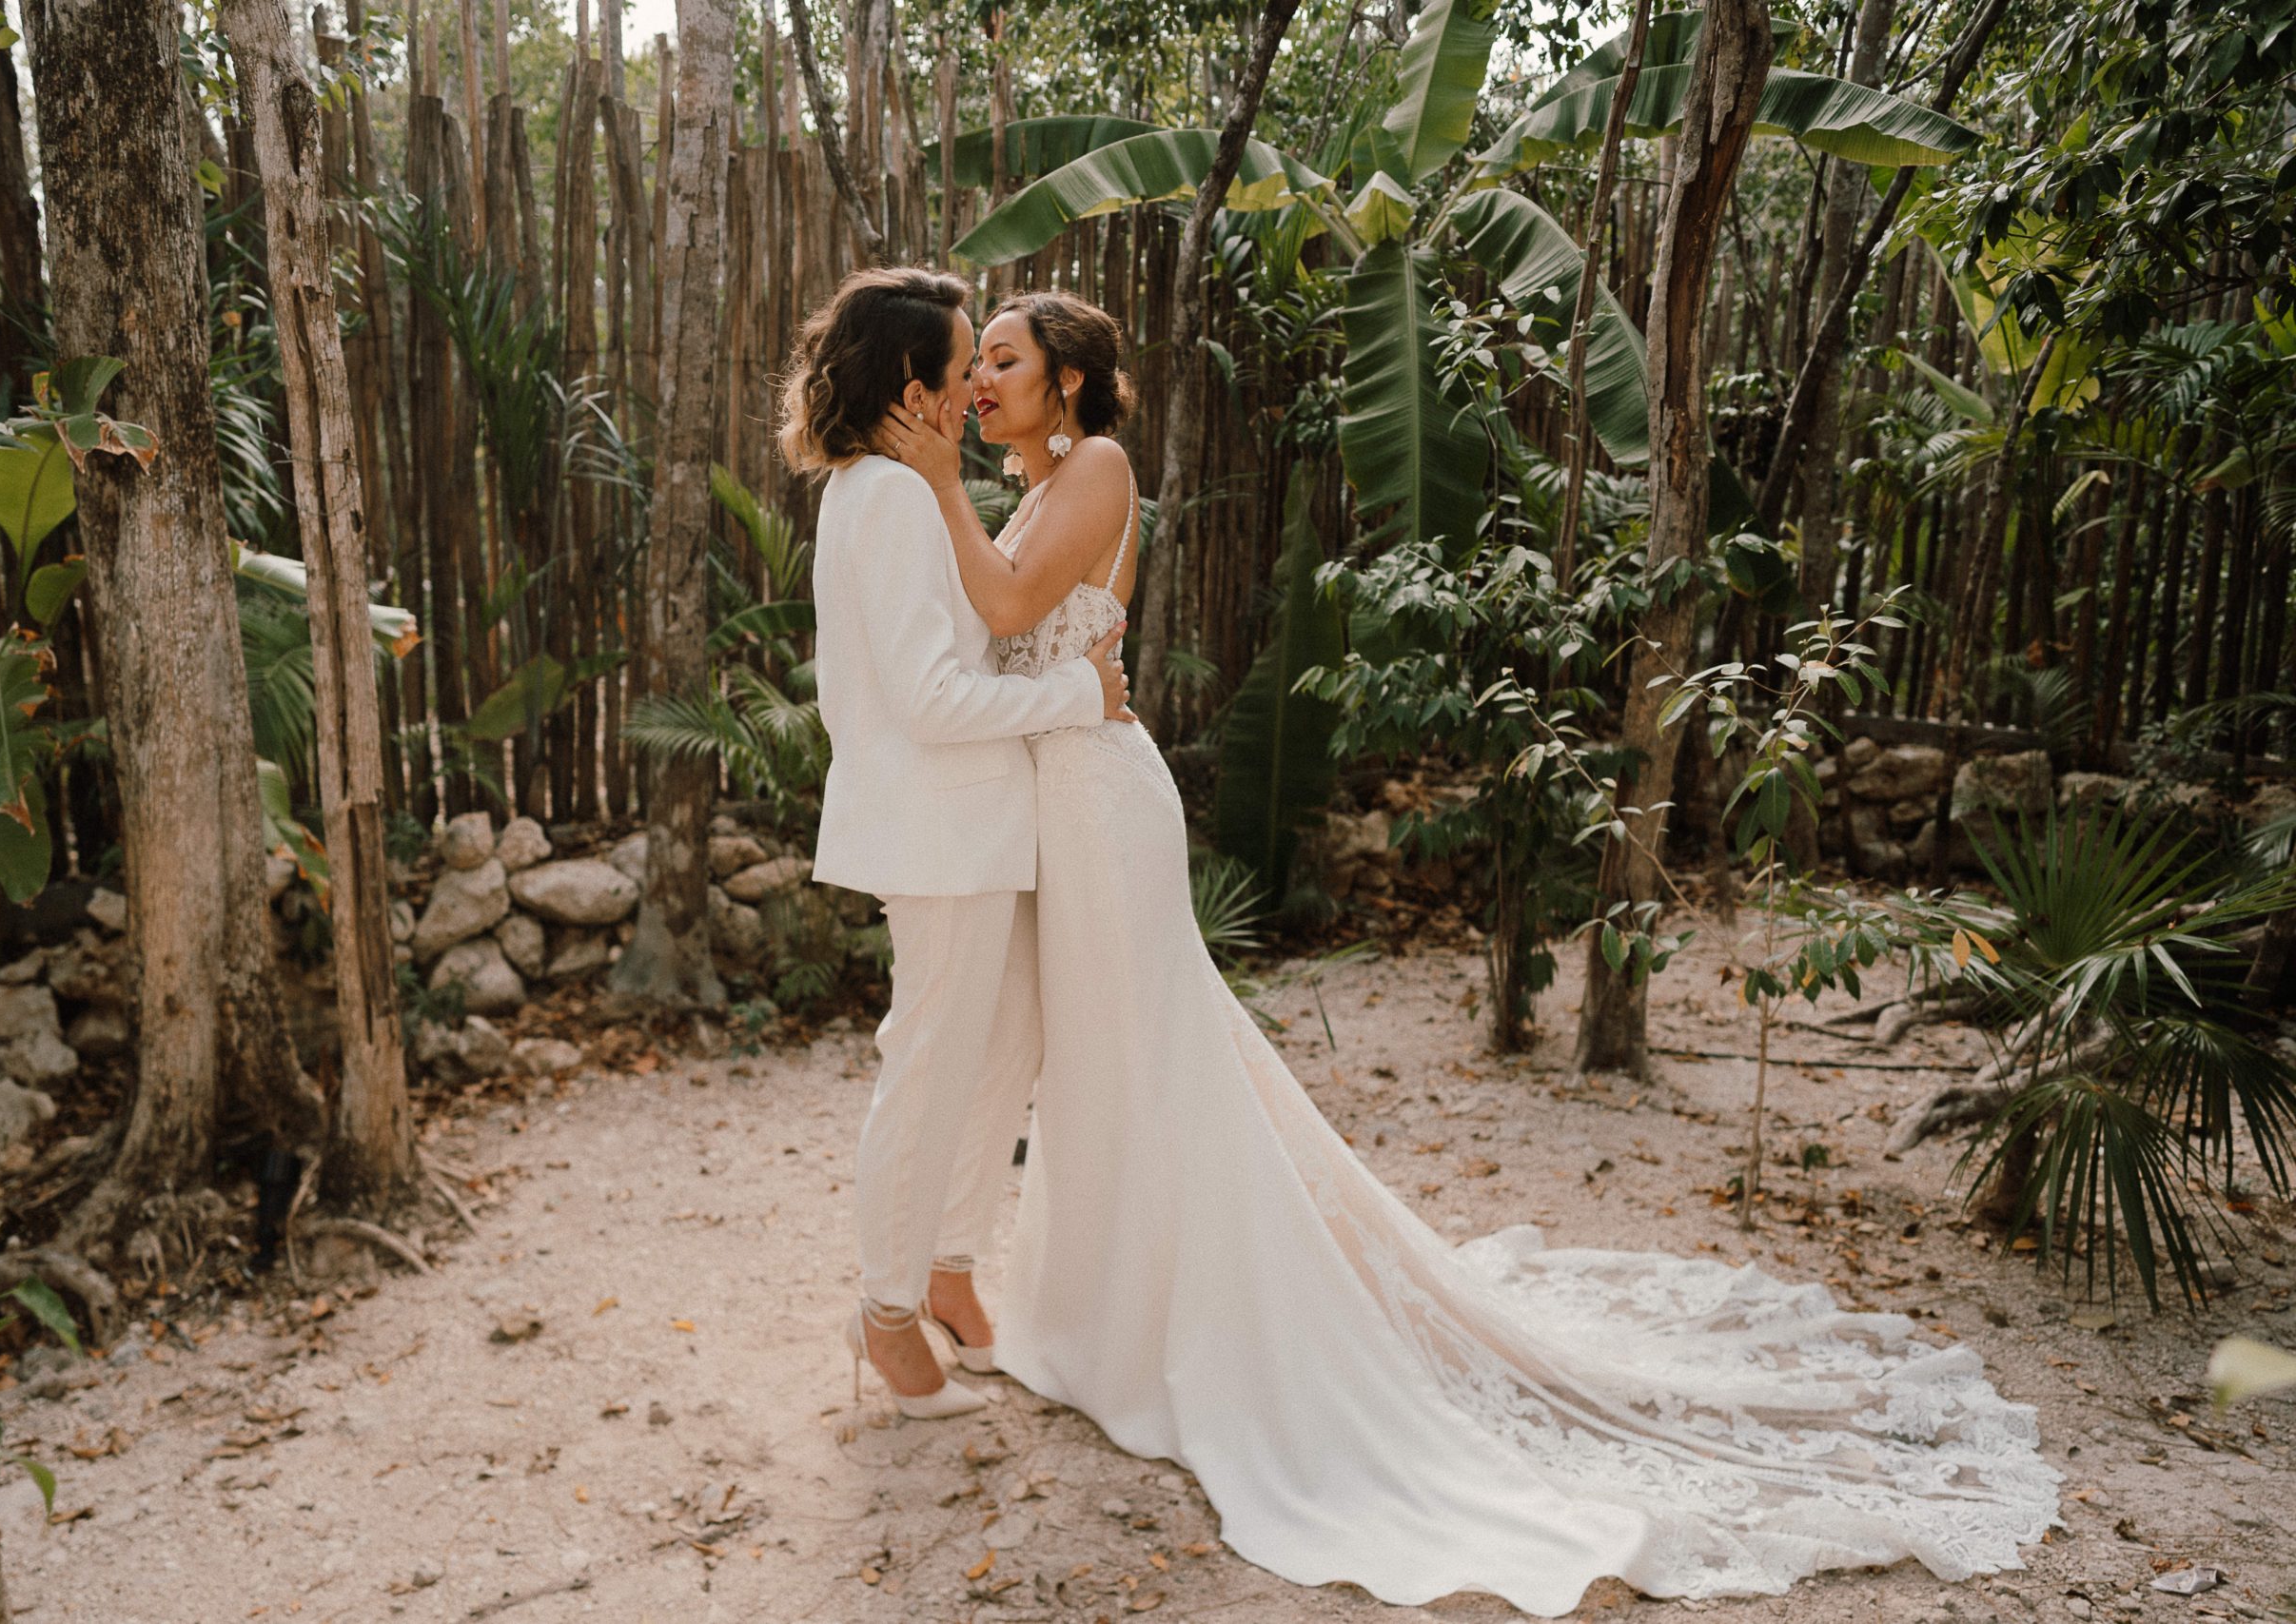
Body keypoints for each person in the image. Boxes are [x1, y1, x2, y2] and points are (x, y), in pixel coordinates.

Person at [872, 287, 2062, 1616]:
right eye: (976, 365)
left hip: (1099, 801)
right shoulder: (1034, 482)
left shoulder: (1094, 468)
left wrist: (933, 480)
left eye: (1005, 361)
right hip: (1051, 800)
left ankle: (1208, 1329)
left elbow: (1017, 595)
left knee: (1150, 1057)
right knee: (1094, 1064)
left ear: (1074, 381)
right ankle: (1096, 1312)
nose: (980, 381)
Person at [781, 268, 1130, 1420]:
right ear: (913, 383)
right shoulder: (881, 498)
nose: (972, 380)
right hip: (939, 828)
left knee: (1000, 1051)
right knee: (928, 1070)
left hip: (973, 825)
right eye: (960, 361)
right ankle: (886, 1317)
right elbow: (933, 701)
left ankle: (945, 1268)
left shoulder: (893, 489)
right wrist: (1078, 696)